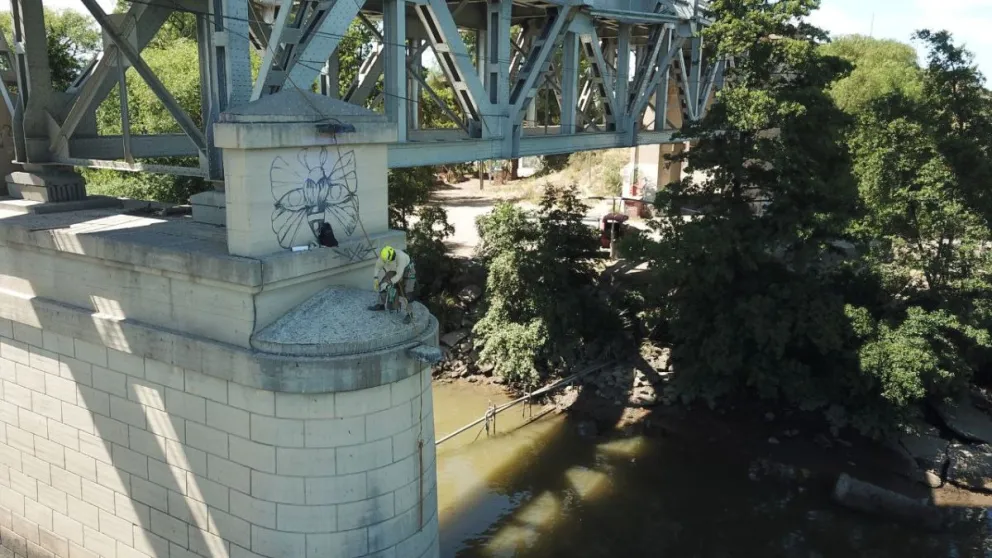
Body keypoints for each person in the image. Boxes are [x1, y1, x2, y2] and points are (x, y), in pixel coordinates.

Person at [369, 245, 416, 322]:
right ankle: (381, 305)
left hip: (407, 270)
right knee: (383, 284)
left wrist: (389, 283)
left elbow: (399, 275)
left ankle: (410, 314)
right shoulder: (384, 256)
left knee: (408, 292)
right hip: (394, 268)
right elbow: (377, 267)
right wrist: (375, 279)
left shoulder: (401, 257)